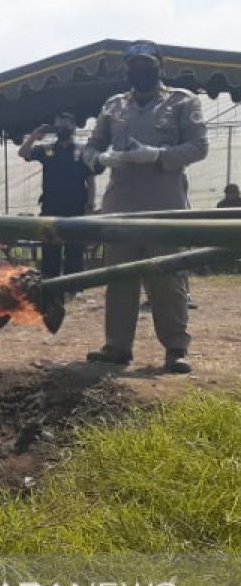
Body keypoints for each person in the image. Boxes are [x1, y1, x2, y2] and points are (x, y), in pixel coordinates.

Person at [83, 40, 208, 374]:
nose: (141, 70)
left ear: (159, 65)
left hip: (164, 204)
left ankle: (176, 348)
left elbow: (198, 147)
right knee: (119, 277)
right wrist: (100, 158)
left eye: (146, 64)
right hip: (120, 205)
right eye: (134, 65)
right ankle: (117, 347)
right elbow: (90, 147)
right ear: (127, 69)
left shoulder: (183, 101)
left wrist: (157, 155)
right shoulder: (113, 106)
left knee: (167, 278)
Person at [17, 112, 96, 279]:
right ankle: (51, 286)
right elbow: (23, 153)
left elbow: (90, 180)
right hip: (51, 207)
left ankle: (73, 287)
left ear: (74, 127)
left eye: (66, 126)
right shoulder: (47, 149)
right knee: (50, 249)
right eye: (59, 127)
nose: (62, 129)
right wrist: (34, 135)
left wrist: (90, 205)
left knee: (74, 250)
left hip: (76, 208)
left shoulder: (82, 151)